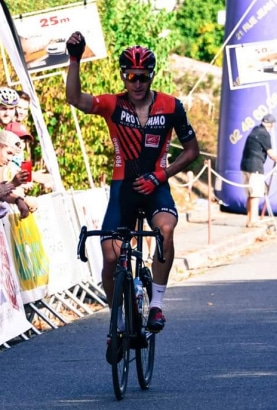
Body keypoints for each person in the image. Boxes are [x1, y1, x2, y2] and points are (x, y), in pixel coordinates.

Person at [66, 32, 200, 353]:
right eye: (130, 76)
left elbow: (192, 150)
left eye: (142, 77)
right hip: (123, 187)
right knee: (111, 257)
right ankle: (119, 322)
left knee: (165, 229)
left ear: (151, 76)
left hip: (156, 185)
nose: (136, 83)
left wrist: (160, 174)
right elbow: (75, 98)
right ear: (123, 77)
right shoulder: (112, 104)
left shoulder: (171, 106)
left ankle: (156, 304)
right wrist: (74, 59)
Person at [240, 113, 277, 227]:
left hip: (245, 166)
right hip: (255, 166)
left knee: (250, 194)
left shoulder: (255, 130)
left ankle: (249, 219)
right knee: (255, 194)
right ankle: (253, 220)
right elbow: (270, 153)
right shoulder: (264, 134)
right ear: (270, 124)